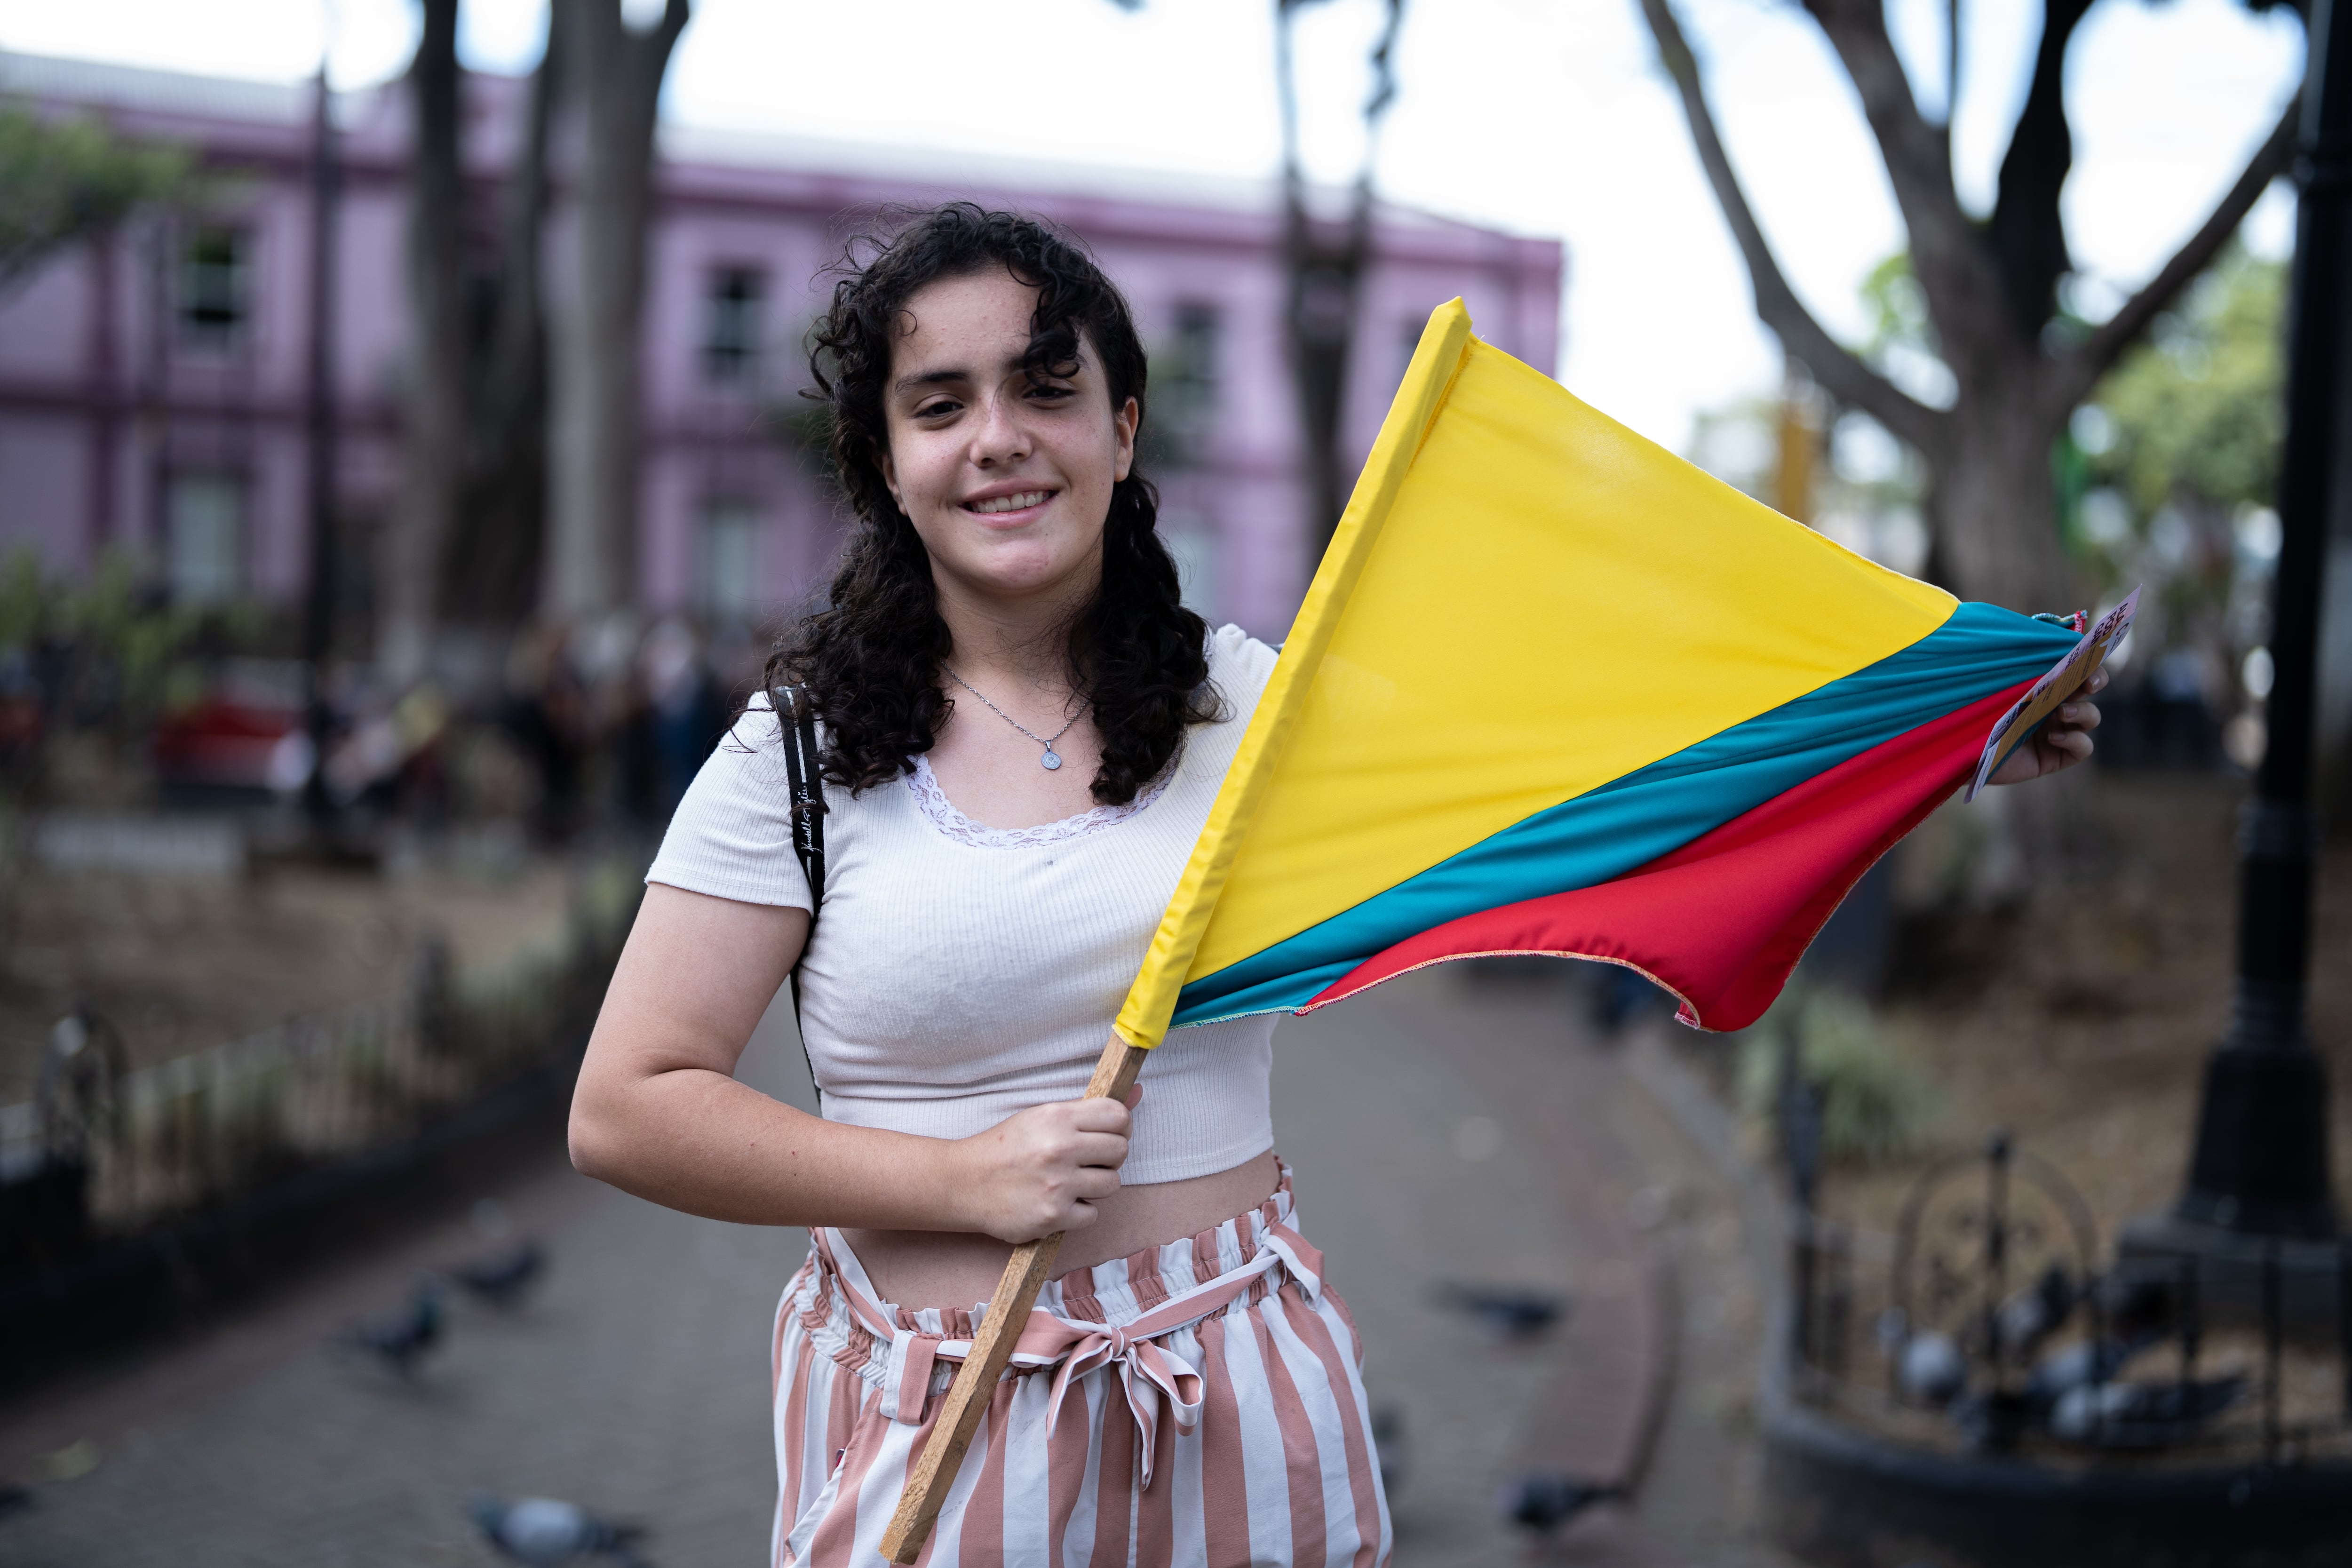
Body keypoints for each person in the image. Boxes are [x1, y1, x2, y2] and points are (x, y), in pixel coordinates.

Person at [567, 204, 2103, 1568]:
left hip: (1243, 1397)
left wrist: (1939, 741)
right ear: (885, 463)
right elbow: (628, 1103)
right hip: (940, 1421)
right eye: (940, 404)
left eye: (1048, 386)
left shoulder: (1254, 710)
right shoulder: (802, 753)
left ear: (1123, 424)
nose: (1001, 438)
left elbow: (1603, 778)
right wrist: (952, 1181)